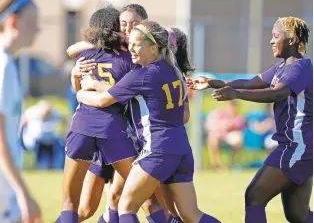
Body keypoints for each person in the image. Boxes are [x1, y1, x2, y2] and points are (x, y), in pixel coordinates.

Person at [77, 21, 221, 223]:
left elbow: (103, 100)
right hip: (181, 148)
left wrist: (81, 92)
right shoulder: (175, 71)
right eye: (131, 43)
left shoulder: (142, 74)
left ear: (154, 47)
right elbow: (124, 90)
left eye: (137, 44)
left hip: (158, 150)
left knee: (126, 206)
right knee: (189, 214)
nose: (131, 48)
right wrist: (95, 85)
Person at [187, 16, 312, 223]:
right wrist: (212, 82)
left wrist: (235, 94)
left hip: (296, 147)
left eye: (276, 36)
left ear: (291, 39)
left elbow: (275, 94)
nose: (271, 41)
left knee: (254, 196)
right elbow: (253, 82)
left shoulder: (300, 68)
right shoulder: (282, 67)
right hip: (298, 147)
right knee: (297, 215)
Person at [0, 0, 41, 223]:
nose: (38, 29)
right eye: (33, 21)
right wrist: (23, 193)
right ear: (13, 22)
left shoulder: (8, 63)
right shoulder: (3, 65)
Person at [19, 100, 66, 169]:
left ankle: (54, 166)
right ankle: (35, 166)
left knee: (58, 146)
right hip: (35, 139)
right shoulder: (32, 112)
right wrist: (21, 134)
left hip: (50, 139)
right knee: (37, 151)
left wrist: (63, 133)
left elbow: (64, 120)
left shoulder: (54, 112)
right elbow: (22, 121)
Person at [204, 101, 246, 169]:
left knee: (238, 138)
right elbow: (210, 125)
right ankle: (216, 165)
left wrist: (230, 125)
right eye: (230, 106)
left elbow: (240, 126)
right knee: (213, 138)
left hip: (230, 136)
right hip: (218, 136)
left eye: (233, 107)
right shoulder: (219, 114)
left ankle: (232, 164)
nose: (232, 108)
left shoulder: (239, 116)